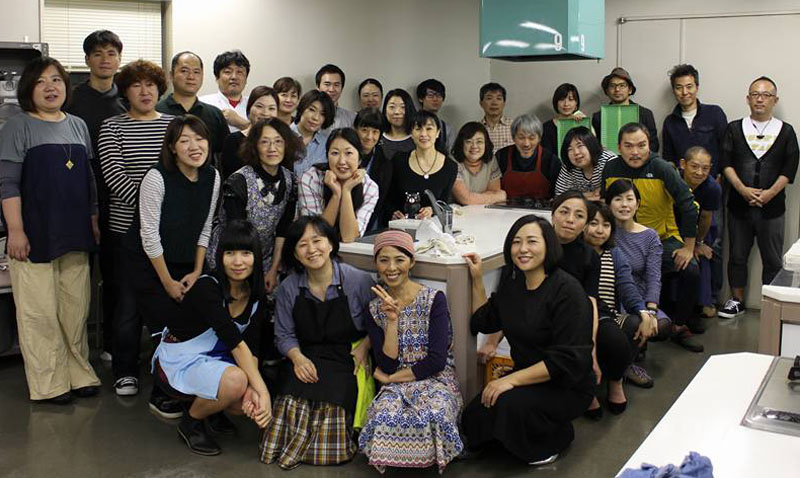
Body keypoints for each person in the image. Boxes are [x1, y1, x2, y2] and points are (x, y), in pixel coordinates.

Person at [0, 56, 101, 404]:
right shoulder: (17, 127)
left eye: (56, 80)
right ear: (28, 89)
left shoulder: (78, 125)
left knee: (75, 309)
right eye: (41, 81)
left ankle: (78, 373)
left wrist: (93, 217)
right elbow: (7, 184)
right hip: (34, 233)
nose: (50, 87)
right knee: (39, 312)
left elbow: (88, 179)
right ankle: (49, 383)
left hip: (75, 231)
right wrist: (15, 230)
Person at [461, 215, 593, 465]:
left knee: (510, 405)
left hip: (566, 383)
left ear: (548, 246)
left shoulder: (567, 291)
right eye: (516, 242)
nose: (522, 249)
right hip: (527, 375)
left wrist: (510, 380)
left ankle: (556, 439)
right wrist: (477, 278)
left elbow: (567, 361)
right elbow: (483, 320)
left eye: (532, 241)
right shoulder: (513, 286)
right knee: (474, 415)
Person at [123, 115, 220, 418]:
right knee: (165, 328)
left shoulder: (212, 176)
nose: (194, 146)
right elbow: (149, 235)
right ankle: (161, 392)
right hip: (150, 263)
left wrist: (198, 270)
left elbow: (205, 227)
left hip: (189, 262)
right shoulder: (156, 177)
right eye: (184, 140)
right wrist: (167, 282)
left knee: (196, 323)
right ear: (171, 147)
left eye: (200, 139)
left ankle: (190, 387)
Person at [260, 216, 374, 469]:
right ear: (295, 254)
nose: (311, 249)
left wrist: (365, 346)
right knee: (291, 396)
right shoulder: (289, 287)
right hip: (306, 352)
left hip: (346, 354)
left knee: (332, 400)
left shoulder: (358, 281)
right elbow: (283, 335)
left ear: (331, 244)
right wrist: (297, 358)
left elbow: (378, 324)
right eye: (302, 244)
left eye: (317, 240)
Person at [153, 220, 272, 456]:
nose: (238, 262)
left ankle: (213, 410)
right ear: (220, 256)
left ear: (256, 257)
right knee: (237, 383)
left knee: (245, 401)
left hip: (216, 360)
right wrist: (264, 393)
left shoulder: (256, 297)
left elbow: (252, 348)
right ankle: (191, 422)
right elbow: (237, 345)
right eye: (230, 253)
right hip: (179, 360)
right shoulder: (208, 288)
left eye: (246, 253)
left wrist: (254, 391)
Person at [97, 59, 173, 397]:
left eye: (151, 84)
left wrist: (164, 215)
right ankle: (125, 369)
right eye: (136, 85)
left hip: (167, 230)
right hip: (125, 229)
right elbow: (113, 176)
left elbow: (181, 171)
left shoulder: (173, 126)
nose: (145, 91)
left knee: (166, 302)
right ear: (125, 91)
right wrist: (150, 210)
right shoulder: (112, 127)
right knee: (127, 303)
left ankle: (167, 369)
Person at [359, 230, 463, 472]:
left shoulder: (434, 299)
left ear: (411, 262)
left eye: (399, 260)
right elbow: (387, 364)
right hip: (398, 382)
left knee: (435, 412)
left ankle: (429, 464)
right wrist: (392, 321)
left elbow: (436, 361)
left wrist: (391, 379)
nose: (391, 268)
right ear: (376, 263)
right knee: (383, 414)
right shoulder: (373, 309)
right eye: (383, 260)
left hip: (436, 379)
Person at [602, 123, 703, 351]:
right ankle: (628, 329)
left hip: (660, 239)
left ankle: (679, 327)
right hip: (620, 239)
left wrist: (689, 248)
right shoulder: (610, 168)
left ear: (650, 145)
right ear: (619, 147)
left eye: (641, 145)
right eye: (628, 146)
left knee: (691, 270)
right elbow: (604, 203)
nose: (635, 152)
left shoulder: (662, 168)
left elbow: (689, 206)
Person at [65, 29, 126, 361]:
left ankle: (112, 345)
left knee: (115, 275)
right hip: (77, 199)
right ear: (87, 59)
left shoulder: (126, 100)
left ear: (119, 59)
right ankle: (74, 347)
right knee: (75, 277)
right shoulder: (71, 99)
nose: (105, 60)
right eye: (98, 54)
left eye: (111, 53)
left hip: (118, 201)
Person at [719, 76, 799, 318]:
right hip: (738, 206)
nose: (760, 99)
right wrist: (742, 189)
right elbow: (726, 163)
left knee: (773, 259)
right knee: (737, 256)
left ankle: (771, 306)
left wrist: (769, 193)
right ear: (748, 99)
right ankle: (737, 301)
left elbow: (789, 168)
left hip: (772, 209)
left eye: (766, 95)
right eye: (755, 94)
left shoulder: (786, 131)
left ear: (775, 99)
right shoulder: (734, 129)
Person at [583, 201, 660, 416]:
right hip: (582, 317)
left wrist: (644, 312)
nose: (600, 230)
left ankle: (616, 379)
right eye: (594, 223)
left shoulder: (614, 254)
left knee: (636, 323)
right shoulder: (576, 253)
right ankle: (588, 387)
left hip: (610, 316)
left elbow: (627, 287)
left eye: (606, 225)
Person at [207, 117, 299, 293]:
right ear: (254, 146)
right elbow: (237, 232)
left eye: (278, 142)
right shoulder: (238, 181)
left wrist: (273, 269)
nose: (272, 148)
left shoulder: (290, 180)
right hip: (233, 254)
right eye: (265, 142)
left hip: (267, 258)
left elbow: (283, 230)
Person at [605, 179, 676, 387]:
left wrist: (651, 310)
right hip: (611, 294)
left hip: (639, 296)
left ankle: (634, 348)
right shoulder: (603, 231)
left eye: (629, 199)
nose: (624, 205)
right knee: (632, 322)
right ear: (608, 204)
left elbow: (654, 277)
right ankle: (626, 365)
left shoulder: (650, 236)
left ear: (638, 203)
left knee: (662, 326)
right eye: (618, 199)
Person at [299, 128, 378, 242]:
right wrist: (336, 195)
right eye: (335, 153)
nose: (341, 161)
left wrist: (346, 191)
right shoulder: (311, 178)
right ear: (327, 157)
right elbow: (316, 234)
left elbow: (348, 236)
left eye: (348, 153)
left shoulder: (370, 187)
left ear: (360, 159)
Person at [385, 110, 458, 224]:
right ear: (411, 133)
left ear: (438, 133)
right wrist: (393, 212)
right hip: (401, 226)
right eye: (418, 129)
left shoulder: (450, 167)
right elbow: (387, 198)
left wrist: (432, 210)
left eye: (429, 129)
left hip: (433, 226)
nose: (423, 134)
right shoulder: (399, 160)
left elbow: (444, 202)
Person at [156, 51, 228, 156]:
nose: (191, 76)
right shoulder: (157, 112)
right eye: (184, 71)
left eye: (196, 72)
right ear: (171, 75)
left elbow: (224, 155)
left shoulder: (215, 114)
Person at [661, 64, 728, 178]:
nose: (684, 92)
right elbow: (668, 158)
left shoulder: (715, 113)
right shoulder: (670, 122)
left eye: (689, 86)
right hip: (682, 183)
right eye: (679, 87)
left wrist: (720, 176)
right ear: (673, 91)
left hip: (713, 181)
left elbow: (726, 150)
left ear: (697, 87)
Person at [679, 147, 722, 318]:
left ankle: (704, 302)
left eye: (705, 168)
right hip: (673, 224)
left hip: (701, 228)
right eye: (694, 166)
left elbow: (706, 217)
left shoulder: (712, 188)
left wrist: (698, 243)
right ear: (683, 164)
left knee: (702, 255)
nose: (699, 172)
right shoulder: (673, 179)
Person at [592, 67, 660, 152]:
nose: (617, 89)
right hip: (609, 159)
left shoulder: (645, 114)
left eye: (622, 85)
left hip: (639, 159)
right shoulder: (599, 117)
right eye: (612, 86)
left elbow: (654, 144)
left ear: (630, 90)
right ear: (607, 91)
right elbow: (594, 146)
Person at [495, 114, 561, 200]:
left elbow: (558, 194)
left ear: (539, 138)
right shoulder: (501, 156)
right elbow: (494, 190)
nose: (526, 144)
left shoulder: (550, 160)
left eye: (531, 138)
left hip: (541, 207)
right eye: (521, 137)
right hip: (505, 207)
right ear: (513, 138)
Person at [220, 86, 279, 180]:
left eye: (271, 108)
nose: (265, 113)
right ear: (249, 109)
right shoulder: (233, 141)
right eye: (259, 106)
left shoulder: (282, 141)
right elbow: (230, 179)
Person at [354, 108, 392, 232]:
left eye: (375, 132)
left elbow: (380, 202)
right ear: (355, 129)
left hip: (371, 223)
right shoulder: (345, 156)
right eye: (364, 130)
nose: (369, 136)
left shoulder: (385, 164)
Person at [451, 121, 506, 205]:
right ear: (461, 144)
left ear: (486, 144)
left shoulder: (491, 160)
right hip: (459, 211)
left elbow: (495, 193)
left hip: (485, 211)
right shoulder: (453, 162)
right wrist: (498, 196)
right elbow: (466, 199)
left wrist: (475, 198)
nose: (474, 146)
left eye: (479, 142)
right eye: (469, 141)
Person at [554, 126, 615, 200]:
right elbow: (559, 196)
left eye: (580, 146)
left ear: (591, 145)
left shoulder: (608, 161)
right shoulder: (569, 166)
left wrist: (575, 196)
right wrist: (589, 195)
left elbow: (618, 194)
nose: (576, 152)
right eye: (570, 149)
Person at [200, 50, 251, 132]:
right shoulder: (203, 103)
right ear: (217, 78)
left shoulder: (255, 104)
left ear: (246, 79)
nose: (234, 77)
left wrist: (240, 122)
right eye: (228, 72)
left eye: (239, 72)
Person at [291, 90, 335, 178]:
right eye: (312, 110)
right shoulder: (283, 136)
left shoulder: (326, 144)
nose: (316, 118)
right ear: (302, 108)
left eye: (322, 114)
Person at [542, 83, 590, 156]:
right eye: (562, 100)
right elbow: (547, 156)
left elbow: (593, 148)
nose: (566, 104)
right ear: (556, 103)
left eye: (571, 100)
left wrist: (585, 123)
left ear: (576, 103)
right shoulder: (546, 128)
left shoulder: (582, 122)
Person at [316, 63, 356, 133]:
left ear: (342, 88)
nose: (331, 89)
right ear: (318, 87)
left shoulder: (352, 118)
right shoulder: (310, 116)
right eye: (327, 84)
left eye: (336, 85)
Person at [416, 78, 453, 153]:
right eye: (430, 95)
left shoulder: (446, 128)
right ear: (421, 98)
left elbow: (449, 153)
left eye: (439, 95)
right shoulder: (413, 123)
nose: (435, 99)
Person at [380, 88, 417, 161]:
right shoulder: (378, 136)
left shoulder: (417, 138)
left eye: (403, 107)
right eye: (392, 107)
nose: (397, 112)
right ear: (385, 110)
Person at [479, 82, 513, 154]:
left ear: (504, 103)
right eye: (489, 98)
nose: (494, 103)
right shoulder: (476, 129)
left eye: (499, 98)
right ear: (481, 103)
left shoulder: (515, 127)